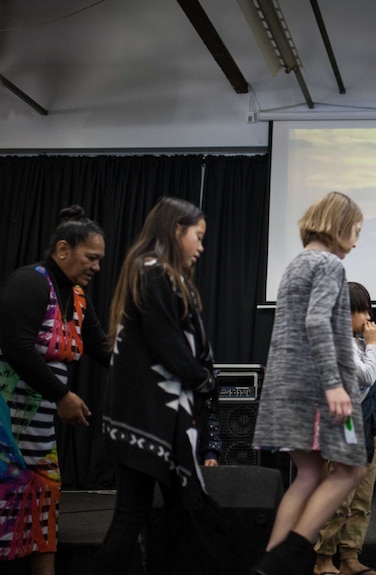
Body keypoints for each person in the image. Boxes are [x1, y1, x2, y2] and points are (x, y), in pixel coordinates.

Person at [94, 197, 224, 574]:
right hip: (147, 416)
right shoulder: (153, 271)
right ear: (175, 230)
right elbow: (168, 342)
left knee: (173, 513)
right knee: (133, 515)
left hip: (155, 414)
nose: (201, 247)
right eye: (197, 237)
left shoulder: (153, 271)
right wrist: (203, 381)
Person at [252, 191, 367, 575]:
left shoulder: (297, 263)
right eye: (355, 231)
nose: (356, 241)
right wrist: (334, 385)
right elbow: (317, 322)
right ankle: (287, 555)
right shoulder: (328, 265)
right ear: (340, 225)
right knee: (352, 468)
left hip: (289, 388)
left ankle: (271, 564)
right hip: (321, 389)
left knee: (310, 473)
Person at [0, 205, 110, 575]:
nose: (96, 266)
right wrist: (62, 396)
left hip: (39, 434)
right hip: (7, 427)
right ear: (63, 250)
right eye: (90, 257)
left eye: (99, 259)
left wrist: (151, 367)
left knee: (43, 505)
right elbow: (16, 346)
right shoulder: (30, 282)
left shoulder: (77, 297)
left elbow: (101, 349)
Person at [314, 282, 376, 575]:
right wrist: (372, 348)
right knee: (340, 498)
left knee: (362, 500)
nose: (368, 317)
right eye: (363, 311)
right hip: (344, 425)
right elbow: (364, 375)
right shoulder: (338, 343)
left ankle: (350, 556)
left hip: (368, 424)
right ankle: (323, 559)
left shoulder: (361, 343)